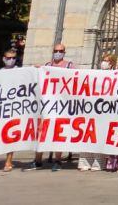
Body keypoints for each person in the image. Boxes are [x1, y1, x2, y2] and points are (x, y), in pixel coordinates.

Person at [32, 42, 75, 171]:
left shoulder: (69, 66)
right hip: (46, 105)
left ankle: (58, 160)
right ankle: (37, 160)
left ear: (64, 53)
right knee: (41, 131)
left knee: (58, 132)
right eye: (56, 50)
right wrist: (37, 70)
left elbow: (76, 80)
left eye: (61, 51)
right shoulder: (47, 66)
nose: (58, 53)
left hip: (61, 105)